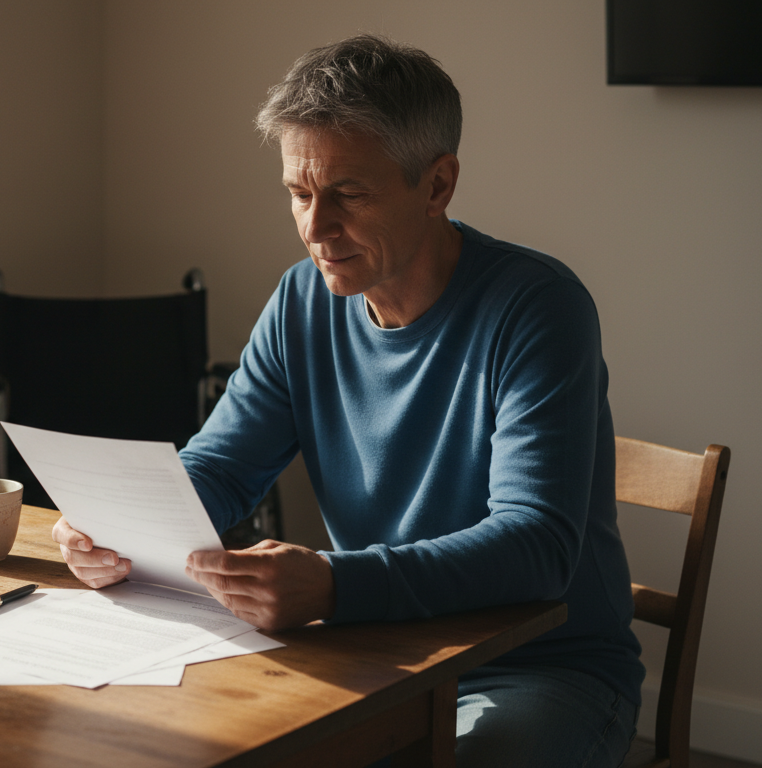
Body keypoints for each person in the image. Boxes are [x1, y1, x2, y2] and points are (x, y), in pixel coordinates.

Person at [52, 34, 643, 767]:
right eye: (299, 194)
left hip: (539, 670)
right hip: (374, 653)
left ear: (436, 185)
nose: (315, 229)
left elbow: (537, 545)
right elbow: (223, 467)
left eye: (348, 195)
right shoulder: (303, 301)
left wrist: (335, 582)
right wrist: (118, 525)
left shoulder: (538, 308)